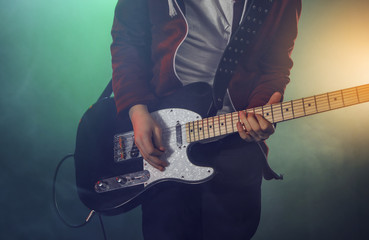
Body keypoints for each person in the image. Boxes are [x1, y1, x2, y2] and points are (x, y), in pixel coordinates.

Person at [111, 0, 301, 239]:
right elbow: (127, 40)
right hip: (165, 133)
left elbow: (275, 65)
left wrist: (263, 109)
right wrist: (136, 108)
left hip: (235, 141)